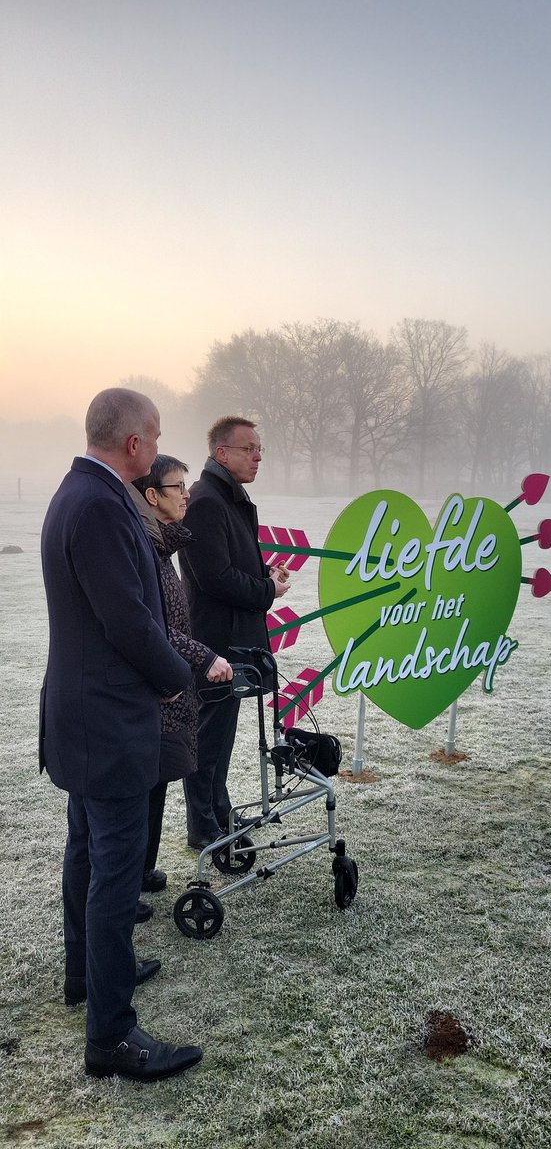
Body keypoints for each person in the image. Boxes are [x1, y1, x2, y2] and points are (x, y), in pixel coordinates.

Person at [40, 388, 203, 1081]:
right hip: (107, 720)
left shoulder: (74, 493)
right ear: (135, 443)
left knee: (87, 851)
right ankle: (111, 1036)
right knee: (113, 873)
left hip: (82, 715)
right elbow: (130, 621)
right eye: (157, 434)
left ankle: (88, 974)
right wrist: (176, 679)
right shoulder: (103, 506)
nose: (157, 443)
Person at [178, 416, 291, 848]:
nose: (259, 457)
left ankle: (218, 813)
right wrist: (267, 589)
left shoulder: (229, 497)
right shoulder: (208, 500)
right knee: (209, 737)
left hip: (230, 636)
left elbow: (230, 564)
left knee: (220, 735)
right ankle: (203, 826)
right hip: (215, 641)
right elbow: (214, 578)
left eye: (260, 449)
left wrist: (264, 573)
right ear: (222, 453)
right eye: (250, 449)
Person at [130, 454, 233, 892]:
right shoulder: (145, 552)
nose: (186, 493)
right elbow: (155, 627)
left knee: (156, 785)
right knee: (143, 791)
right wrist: (203, 657)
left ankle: (142, 870)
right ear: (152, 496)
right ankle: (130, 882)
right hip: (153, 692)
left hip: (166, 689)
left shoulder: (162, 546)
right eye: (177, 487)